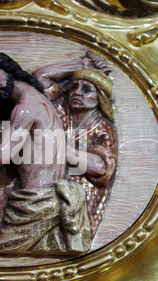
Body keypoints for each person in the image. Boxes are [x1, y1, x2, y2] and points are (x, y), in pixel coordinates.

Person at [0, 51, 91, 255]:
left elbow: (2, 154)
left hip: (34, 204)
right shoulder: (41, 98)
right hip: (50, 201)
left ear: (11, 70)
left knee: (2, 266)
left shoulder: (25, 108)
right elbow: (43, 74)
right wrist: (84, 64)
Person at [33, 53, 118, 237]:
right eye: (74, 87)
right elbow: (40, 77)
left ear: (100, 97)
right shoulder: (60, 109)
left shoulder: (102, 129)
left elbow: (101, 168)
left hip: (81, 202)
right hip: (49, 190)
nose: (77, 92)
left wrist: (56, 146)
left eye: (87, 89)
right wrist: (81, 66)